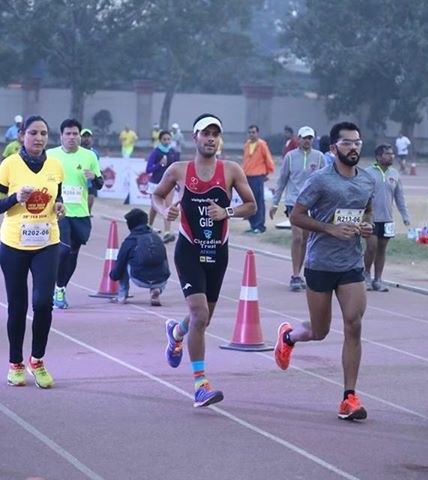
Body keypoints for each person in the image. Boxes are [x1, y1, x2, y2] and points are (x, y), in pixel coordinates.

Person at [152, 113, 256, 407]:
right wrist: (165, 211)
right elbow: (157, 196)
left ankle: (176, 332)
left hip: (217, 252)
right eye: (205, 133)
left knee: (203, 318)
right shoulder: (178, 170)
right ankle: (200, 384)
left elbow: (252, 205)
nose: (211, 139)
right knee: (199, 314)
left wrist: (227, 212)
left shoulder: (231, 170)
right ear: (195, 137)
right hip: (188, 250)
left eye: (215, 134)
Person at [274, 121, 375, 421]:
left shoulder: (367, 180)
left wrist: (366, 226)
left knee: (354, 324)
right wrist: (330, 228)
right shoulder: (320, 180)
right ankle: (290, 336)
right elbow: (296, 216)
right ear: (333, 148)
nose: (353, 148)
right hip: (320, 263)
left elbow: (368, 211)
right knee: (320, 331)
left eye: (357, 142)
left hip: (351, 264)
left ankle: (349, 398)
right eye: (347, 143)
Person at [0, 115, 65, 388]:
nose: (39, 138)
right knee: (18, 306)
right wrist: (15, 198)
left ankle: (37, 360)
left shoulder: (55, 165)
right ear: (22, 135)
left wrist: (59, 205)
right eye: (34, 133)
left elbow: (58, 196)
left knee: (43, 302)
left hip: (47, 242)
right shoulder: (8, 165)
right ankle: (15, 363)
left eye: (44, 133)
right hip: (13, 244)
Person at [47, 119, 103, 309]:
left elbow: (100, 184)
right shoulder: (50, 155)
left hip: (80, 212)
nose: (71, 137)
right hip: (58, 211)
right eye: (68, 134)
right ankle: (53, 286)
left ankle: (60, 288)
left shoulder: (89, 156)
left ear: (79, 136)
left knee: (73, 254)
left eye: (75, 134)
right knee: (63, 250)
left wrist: (94, 177)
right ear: (61, 136)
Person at [269, 126, 325, 291]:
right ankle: (295, 274)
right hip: (293, 202)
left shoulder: (319, 157)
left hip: (312, 203)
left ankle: (299, 274)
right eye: (304, 138)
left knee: (306, 240)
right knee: (298, 238)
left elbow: (324, 180)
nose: (307, 141)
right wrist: (275, 203)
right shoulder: (290, 157)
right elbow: (282, 180)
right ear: (298, 139)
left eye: (310, 138)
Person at [363, 144, 410, 292]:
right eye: (388, 154)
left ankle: (378, 279)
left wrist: (405, 215)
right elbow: (361, 194)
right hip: (370, 218)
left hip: (387, 219)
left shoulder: (394, 174)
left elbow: (399, 197)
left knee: (382, 249)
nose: (391, 156)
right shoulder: (368, 173)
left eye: (392, 154)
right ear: (378, 157)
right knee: (371, 247)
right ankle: (366, 275)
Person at [109, 208, 170, 305]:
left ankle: (122, 295)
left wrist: (113, 276)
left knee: (125, 261)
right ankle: (157, 289)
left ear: (130, 224)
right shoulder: (157, 238)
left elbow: (120, 264)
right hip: (160, 279)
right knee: (161, 260)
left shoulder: (130, 241)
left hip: (139, 278)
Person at [146, 130, 178, 243]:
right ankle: (149, 226)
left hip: (169, 183)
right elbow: (148, 169)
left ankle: (167, 233)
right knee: (154, 207)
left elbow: (176, 167)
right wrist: (159, 164)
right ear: (160, 140)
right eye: (164, 139)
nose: (167, 141)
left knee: (168, 207)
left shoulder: (173, 152)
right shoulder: (156, 152)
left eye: (168, 139)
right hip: (156, 183)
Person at [242, 124, 275, 234]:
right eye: (250, 132)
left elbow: (268, 159)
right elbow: (245, 161)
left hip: (257, 176)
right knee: (249, 201)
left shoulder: (262, 144)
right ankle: (252, 225)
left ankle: (260, 225)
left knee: (258, 201)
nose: (251, 134)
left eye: (253, 132)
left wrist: (267, 172)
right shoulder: (247, 145)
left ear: (257, 133)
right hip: (248, 176)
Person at [80, 128, 101, 215]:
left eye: (88, 136)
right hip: (79, 180)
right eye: (84, 136)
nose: (86, 138)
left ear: (91, 138)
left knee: (90, 199)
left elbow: (97, 168)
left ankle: (88, 214)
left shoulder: (95, 153)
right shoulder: (77, 151)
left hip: (91, 181)